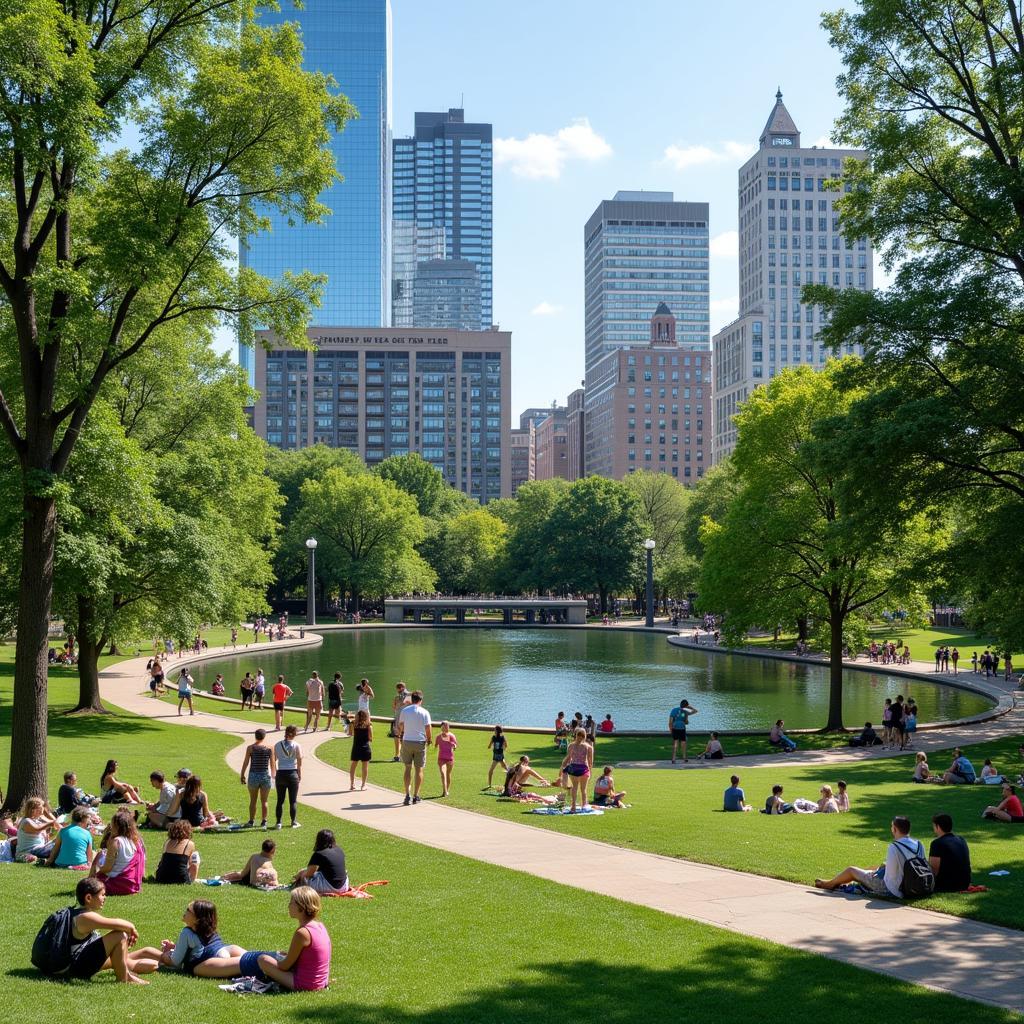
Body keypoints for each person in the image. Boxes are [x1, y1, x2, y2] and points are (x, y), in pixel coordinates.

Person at [47, 877, 157, 983]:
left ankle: (160, 962)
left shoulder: (76, 912)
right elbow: (121, 924)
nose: (105, 898)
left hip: (69, 965)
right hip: (71, 968)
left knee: (125, 957)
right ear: (88, 898)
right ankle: (124, 978)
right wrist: (132, 930)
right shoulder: (85, 917)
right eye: (102, 895)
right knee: (120, 935)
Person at [815, 816, 926, 898]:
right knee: (872, 868)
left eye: (892, 827)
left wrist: (877, 873)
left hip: (894, 889)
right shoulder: (919, 844)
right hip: (914, 885)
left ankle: (829, 884)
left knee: (851, 870)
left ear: (895, 829)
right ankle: (840, 881)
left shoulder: (894, 847)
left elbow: (890, 876)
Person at [134, 900, 249, 978]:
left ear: (197, 920)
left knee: (149, 954)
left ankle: (120, 960)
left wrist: (165, 956)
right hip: (225, 950)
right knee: (252, 961)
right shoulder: (209, 929)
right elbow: (199, 946)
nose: (185, 912)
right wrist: (175, 947)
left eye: (189, 911)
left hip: (209, 962)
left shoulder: (187, 932)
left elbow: (175, 962)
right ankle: (120, 959)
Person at [257, 886, 332, 992]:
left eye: (291, 902)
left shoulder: (302, 933)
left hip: (306, 985)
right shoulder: (320, 926)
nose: (288, 905)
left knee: (263, 959)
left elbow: (285, 966)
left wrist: (276, 961)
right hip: (321, 981)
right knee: (280, 955)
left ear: (301, 907)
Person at [91, 808, 146, 895]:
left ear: (116, 826)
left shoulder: (116, 841)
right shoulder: (136, 841)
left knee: (98, 857)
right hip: (133, 885)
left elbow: (107, 868)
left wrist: (97, 869)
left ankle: (89, 881)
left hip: (116, 884)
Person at [398, 690, 432, 805]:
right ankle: (416, 795)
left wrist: (401, 735)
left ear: (412, 699)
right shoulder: (425, 712)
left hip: (407, 740)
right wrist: (430, 739)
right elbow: (428, 728)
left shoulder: (405, 710)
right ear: (421, 700)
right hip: (420, 742)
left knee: (407, 768)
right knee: (419, 769)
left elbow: (401, 725)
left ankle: (407, 794)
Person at [238, 729, 276, 829]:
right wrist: (273, 776)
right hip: (265, 775)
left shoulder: (250, 748)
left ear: (255, 736)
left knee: (253, 800)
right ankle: (264, 821)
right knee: (264, 801)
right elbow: (272, 763)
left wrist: (242, 774)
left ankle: (251, 821)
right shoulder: (270, 748)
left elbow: (246, 762)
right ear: (264, 736)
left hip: (253, 775)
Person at [293, 828, 349, 894]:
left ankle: (294, 884)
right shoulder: (339, 850)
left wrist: (300, 875)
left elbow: (309, 873)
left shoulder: (319, 853)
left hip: (331, 887)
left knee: (303, 875)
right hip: (344, 886)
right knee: (306, 872)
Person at [928, 814, 972, 891]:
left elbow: (934, 869)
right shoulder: (961, 840)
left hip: (947, 885)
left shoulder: (937, 843)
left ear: (938, 827)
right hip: (965, 883)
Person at [273, 725, 303, 829]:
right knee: (293, 800)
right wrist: (299, 773)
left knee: (280, 800)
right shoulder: (297, 745)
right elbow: (299, 760)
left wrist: (275, 771)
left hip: (280, 773)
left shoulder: (277, 745)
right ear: (294, 734)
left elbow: (274, 759)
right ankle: (293, 822)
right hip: (292, 773)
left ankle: (278, 823)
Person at [154, 819, 201, 884]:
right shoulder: (189, 843)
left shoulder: (167, 842)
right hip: (180, 878)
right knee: (195, 855)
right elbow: (192, 864)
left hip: (161, 877)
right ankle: (193, 880)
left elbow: (162, 861)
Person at [560, 728, 594, 813]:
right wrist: (590, 771)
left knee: (574, 788)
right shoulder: (589, 747)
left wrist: (563, 767)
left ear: (576, 735)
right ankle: (584, 805)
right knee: (583, 790)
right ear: (585, 736)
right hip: (583, 768)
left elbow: (568, 758)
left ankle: (573, 807)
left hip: (573, 768)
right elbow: (590, 762)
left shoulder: (571, 745)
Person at [16, 796, 58, 861]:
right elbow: (37, 829)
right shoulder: (26, 821)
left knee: (61, 841)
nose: (43, 809)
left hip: (39, 848)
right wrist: (50, 824)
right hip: (31, 850)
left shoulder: (36, 820)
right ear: (33, 809)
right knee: (58, 847)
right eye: (41, 807)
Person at [348, 709, 373, 791]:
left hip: (356, 747)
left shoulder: (353, 724)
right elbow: (371, 738)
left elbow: (350, 734)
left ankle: (352, 784)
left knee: (353, 766)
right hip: (365, 748)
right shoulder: (368, 725)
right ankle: (363, 785)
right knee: (365, 767)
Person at [668, 698, 698, 763]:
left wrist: (670, 730)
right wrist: (690, 707)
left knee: (675, 743)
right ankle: (684, 758)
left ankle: (673, 759)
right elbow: (695, 711)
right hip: (682, 729)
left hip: (675, 728)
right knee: (683, 743)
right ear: (686, 706)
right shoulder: (685, 711)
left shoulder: (674, 710)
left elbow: (670, 722)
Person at [435, 720, 457, 797]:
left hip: (450, 758)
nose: (446, 727)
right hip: (441, 758)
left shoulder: (452, 736)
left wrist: (454, 746)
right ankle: (444, 791)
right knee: (443, 774)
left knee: (448, 774)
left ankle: (447, 790)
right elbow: (435, 746)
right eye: (445, 726)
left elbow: (455, 745)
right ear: (441, 727)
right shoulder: (438, 737)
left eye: (448, 726)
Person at [391, 681, 410, 760]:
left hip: (400, 719)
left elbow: (393, 707)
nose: (398, 690)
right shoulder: (410, 695)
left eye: (398, 689)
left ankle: (398, 755)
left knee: (397, 736)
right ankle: (401, 755)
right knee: (403, 736)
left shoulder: (398, 697)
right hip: (407, 719)